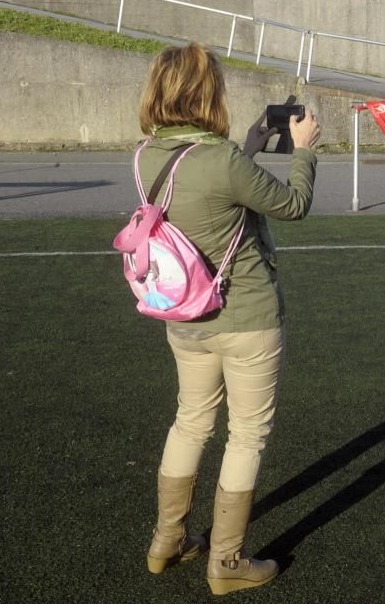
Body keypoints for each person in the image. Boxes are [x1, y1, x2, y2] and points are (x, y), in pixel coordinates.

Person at [135, 43, 320, 594]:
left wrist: (252, 148)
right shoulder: (223, 160)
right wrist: (304, 150)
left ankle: (167, 540)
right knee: (247, 435)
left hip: (184, 314)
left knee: (189, 421)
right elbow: (292, 205)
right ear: (206, 93)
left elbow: (210, 190)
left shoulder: (146, 155)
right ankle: (227, 563)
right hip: (246, 318)